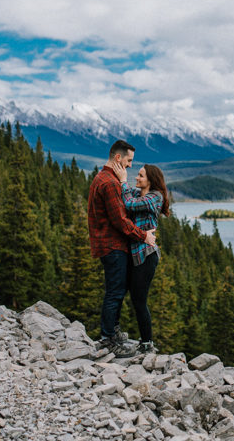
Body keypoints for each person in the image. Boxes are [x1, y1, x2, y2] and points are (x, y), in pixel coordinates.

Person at [87, 140, 156, 357]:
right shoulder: (109, 183)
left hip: (109, 244)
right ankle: (108, 338)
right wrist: (143, 235)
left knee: (117, 290)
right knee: (115, 292)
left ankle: (113, 332)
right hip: (113, 245)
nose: (129, 166)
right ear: (118, 158)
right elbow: (120, 220)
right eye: (128, 161)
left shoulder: (104, 177)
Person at [113, 163, 170, 354]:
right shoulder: (139, 194)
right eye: (137, 175)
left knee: (139, 299)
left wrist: (122, 180)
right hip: (134, 252)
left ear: (151, 180)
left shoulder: (155, 197)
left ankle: (147, 342)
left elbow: (129, 204)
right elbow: (127, 197)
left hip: (146, 255)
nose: (136, 178)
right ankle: (116, 333)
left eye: (140, 175)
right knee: (127, 294)